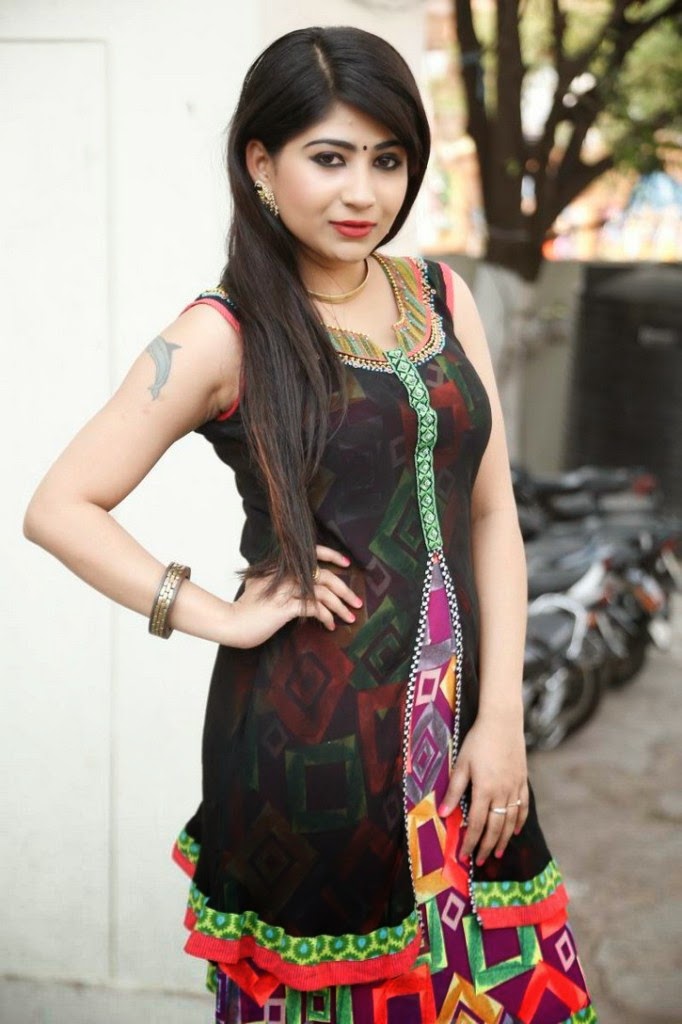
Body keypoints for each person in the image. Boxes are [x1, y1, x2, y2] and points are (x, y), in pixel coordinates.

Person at [23, 24, 597, 1024]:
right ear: (261, 161)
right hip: (312, 743)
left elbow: (492, 511)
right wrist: (213, 612)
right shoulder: (224, 333)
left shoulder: (440, 296)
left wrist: (502, 717)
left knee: (506, 986)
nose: (362, 192)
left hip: (465, 726)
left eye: (386, 160)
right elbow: (60, 505)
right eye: (329, 158)